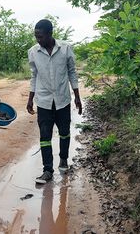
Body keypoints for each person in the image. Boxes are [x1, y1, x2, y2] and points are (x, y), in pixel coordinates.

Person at [26, 19, 82, 184]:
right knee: (45, 136)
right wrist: (30, 99)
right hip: (43, 101)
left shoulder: (65, 49)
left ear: (50, 34)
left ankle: (63, 159)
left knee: (64, 132)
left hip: (62, 100)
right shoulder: (33, 52)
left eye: (41, 36)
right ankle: (47, 170)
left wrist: (77, 96)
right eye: (36, 36)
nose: (38, 40)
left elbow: (72, 72)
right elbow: (34, 76)